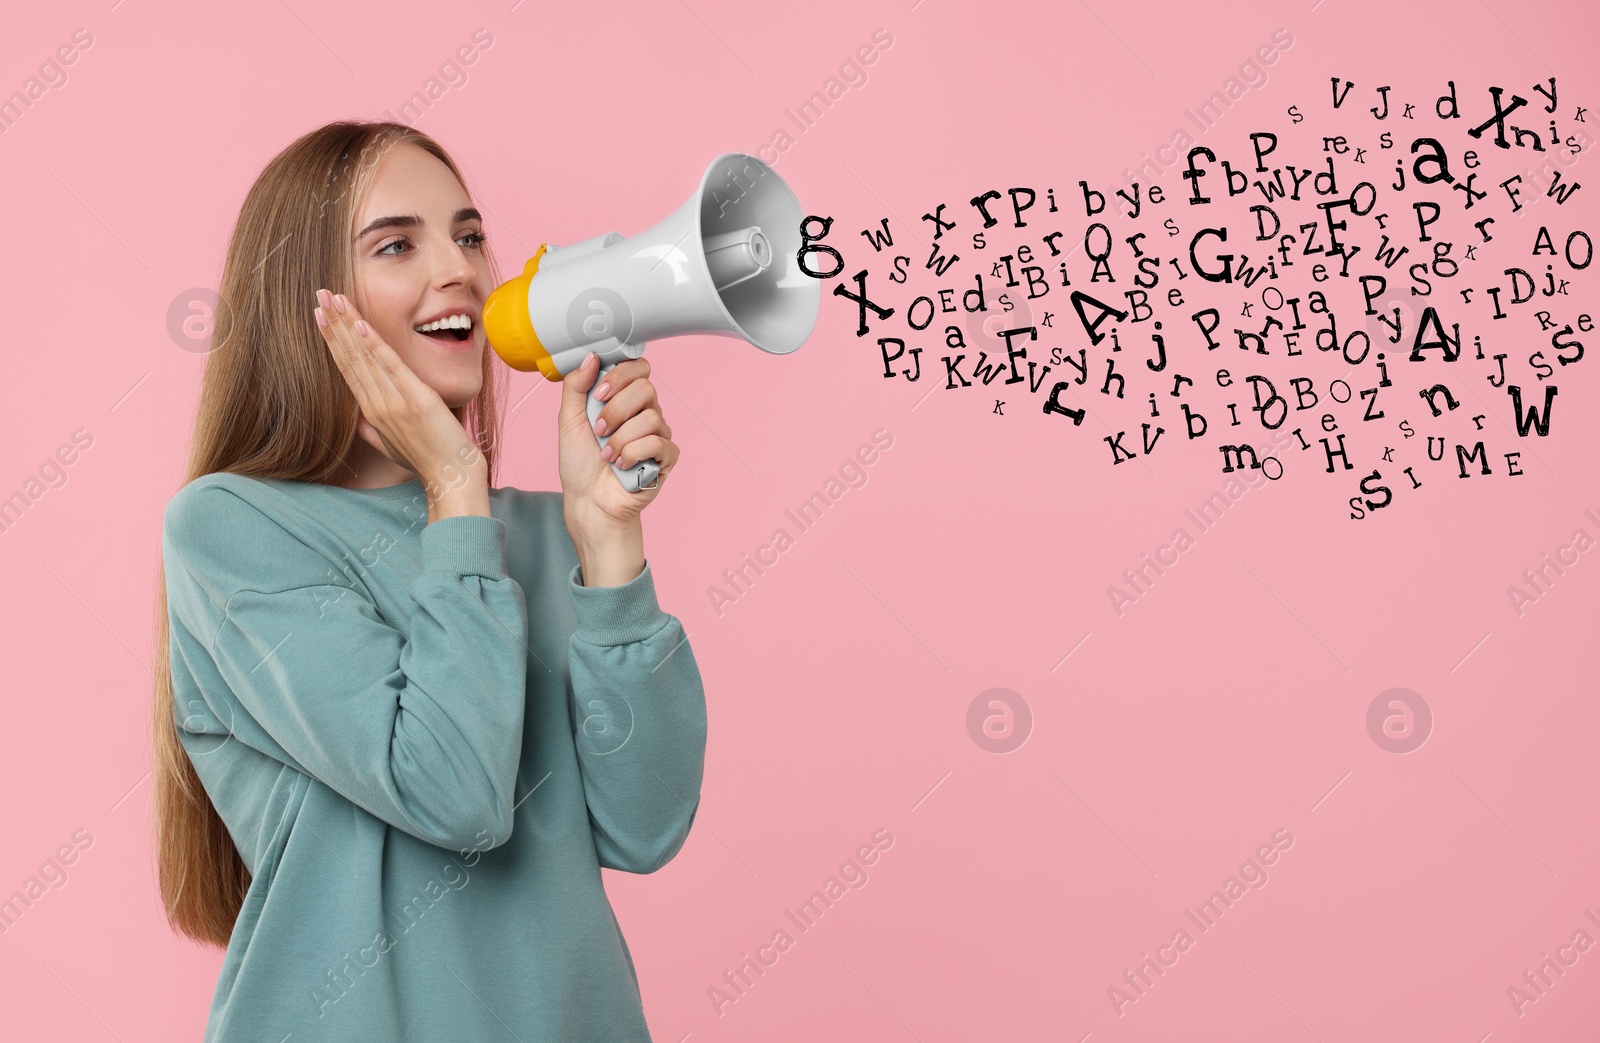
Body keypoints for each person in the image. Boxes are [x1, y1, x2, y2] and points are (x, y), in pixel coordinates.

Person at [151, 119, 707, 1041]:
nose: (459, 269)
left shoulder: (537, 525)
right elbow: (454, 796)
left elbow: (646, 827)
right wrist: (456, 487)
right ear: (311, 301)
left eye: (470, 235)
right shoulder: (229, 527)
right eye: (398, 244)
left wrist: (609, 544)